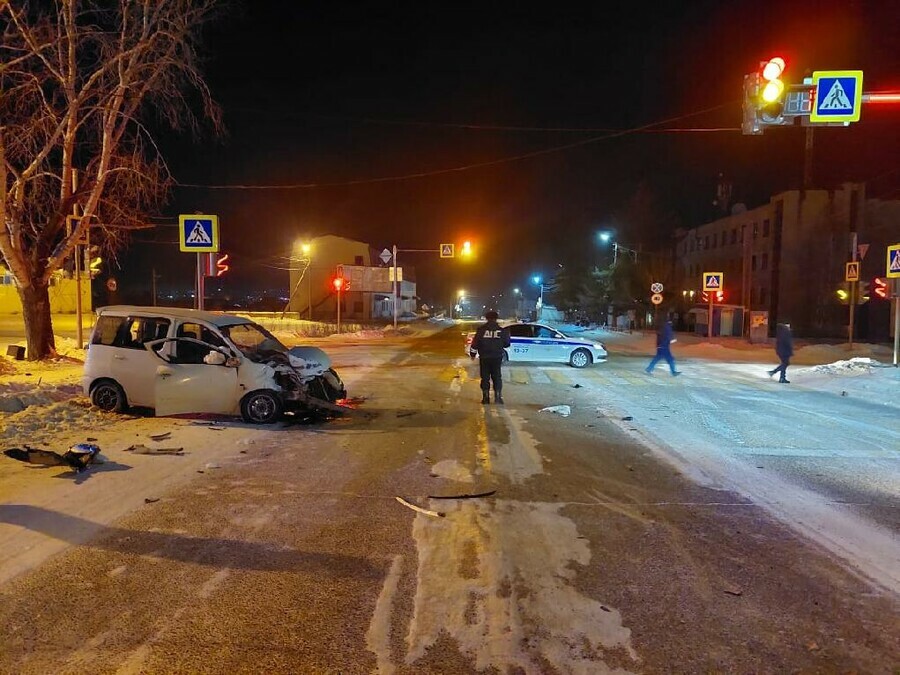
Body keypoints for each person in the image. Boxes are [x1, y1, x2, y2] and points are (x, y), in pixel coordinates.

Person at [469, 309, 510, 404]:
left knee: (485, 377)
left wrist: (472, 355)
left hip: (484, 358)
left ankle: (486, 398)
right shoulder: (502, 331)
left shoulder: (481, 330)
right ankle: (498, 397)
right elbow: (507, 344)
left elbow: (475, 344)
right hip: (497, 358)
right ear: (496, 319)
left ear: (487, 318)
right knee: (497, 377)